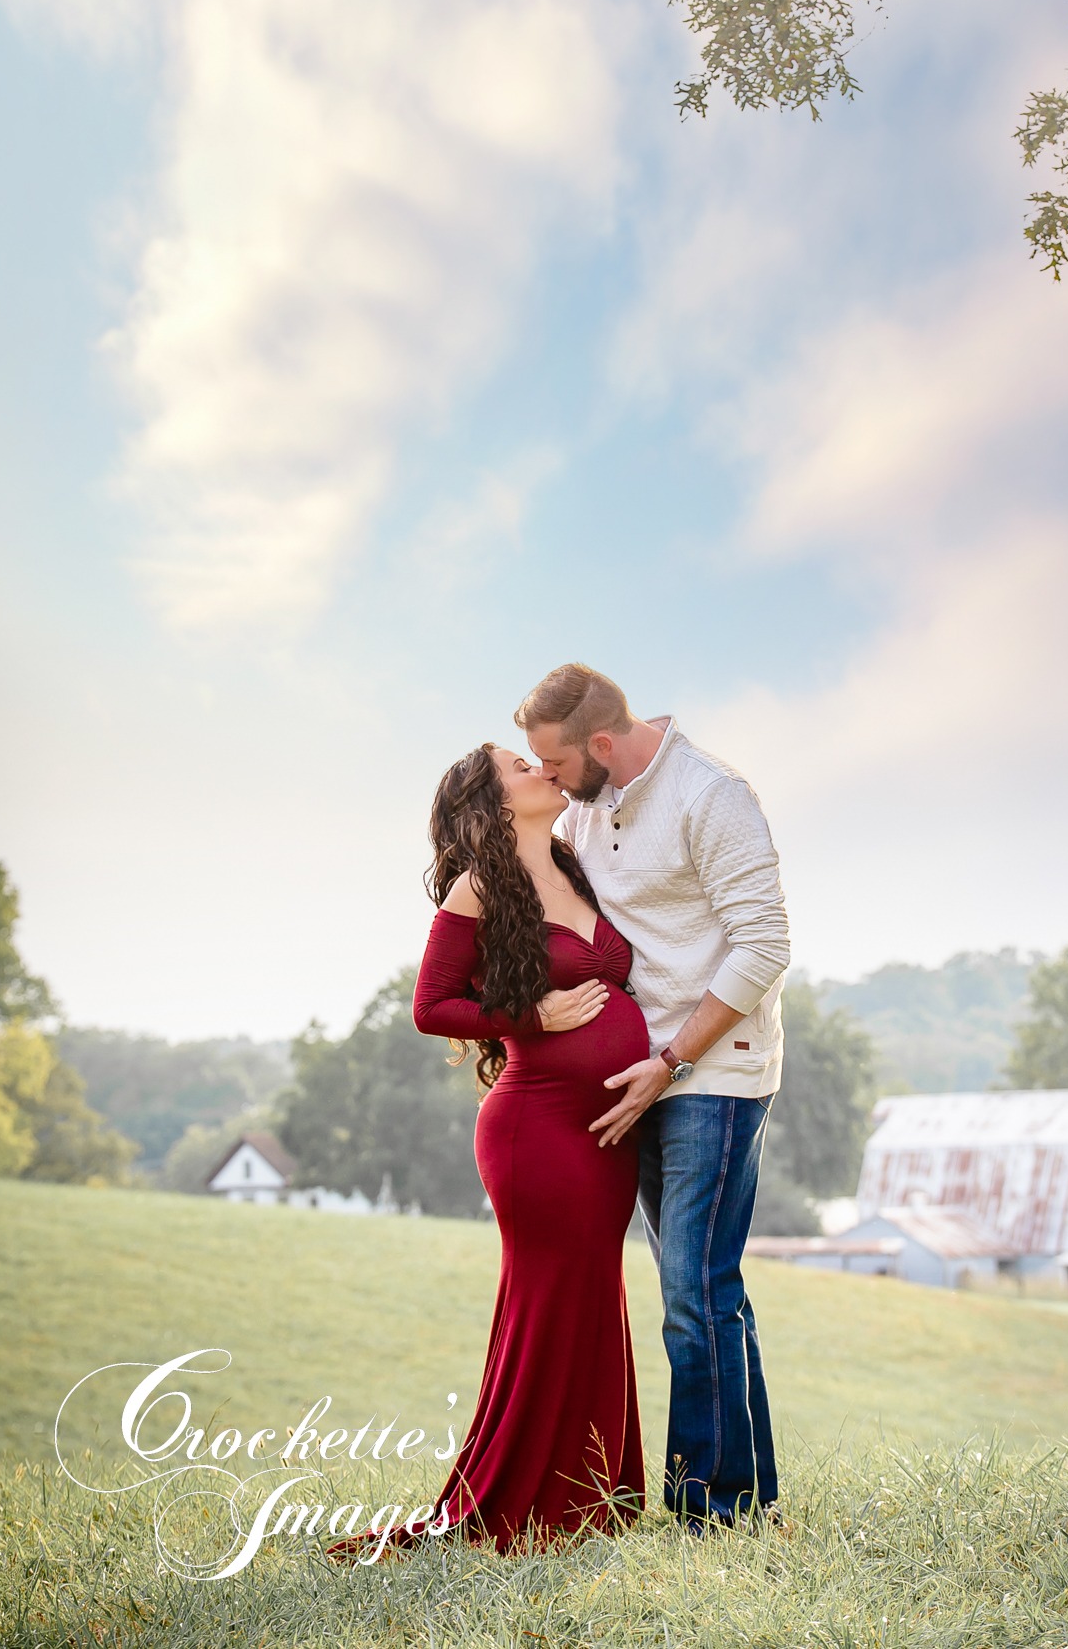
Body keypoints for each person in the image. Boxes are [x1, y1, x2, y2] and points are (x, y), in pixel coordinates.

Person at [342, 741, 649, 1555]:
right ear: (495, 803)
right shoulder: (482, 888)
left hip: (606, 1130)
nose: (542, 767)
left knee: (591, 1294)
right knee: (551, 1300)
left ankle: (592, 1502)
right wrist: (531, 1019)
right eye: (520, 766)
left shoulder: (578, 868)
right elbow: (431, 1006)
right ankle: (522, 1502)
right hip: (537, 1130)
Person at [514, 662, 790, 1530]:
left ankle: (707, 1511)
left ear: (600, 743)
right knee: (710, 1293)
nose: (549, 784)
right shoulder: (590, 806)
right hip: (640, 1079)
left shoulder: (711, 795)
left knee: (692, 1293)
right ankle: (749, 1501)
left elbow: (765, 944)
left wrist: (671, 1060)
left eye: (554, 766)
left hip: (715, 1071)